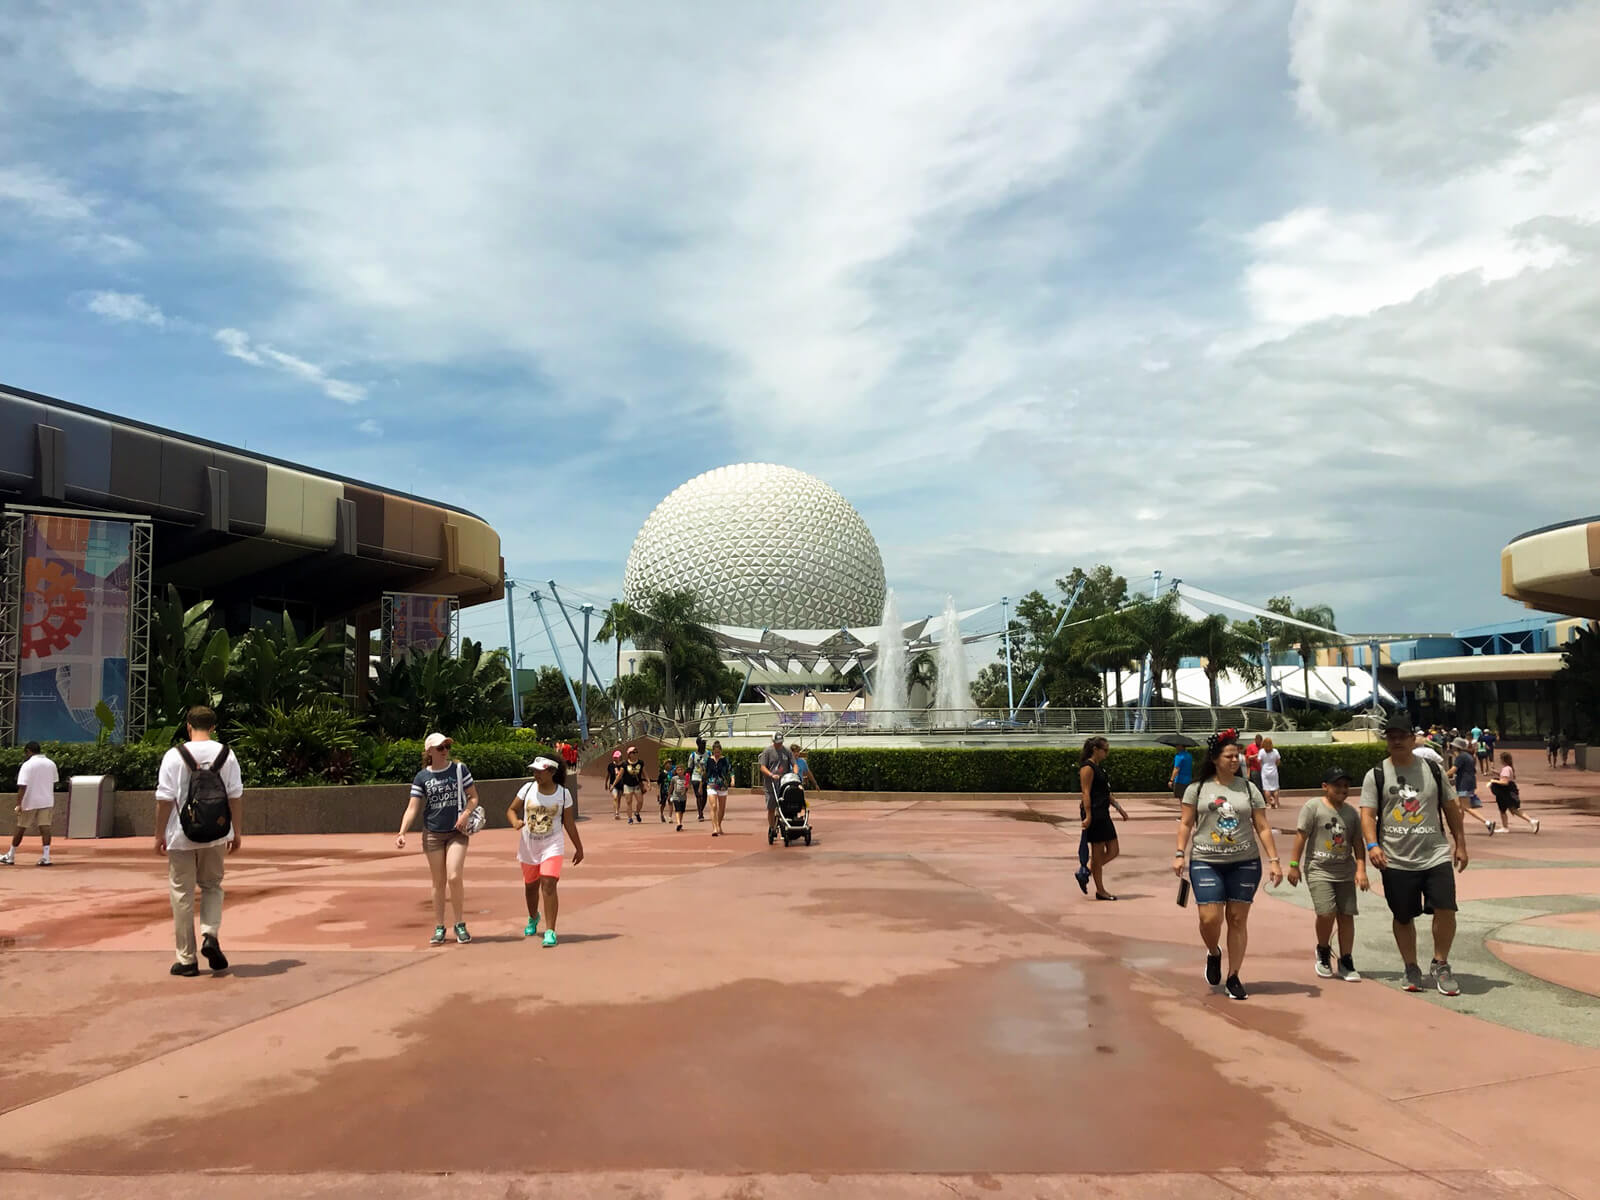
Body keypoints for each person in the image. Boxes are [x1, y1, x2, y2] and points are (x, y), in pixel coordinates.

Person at [1359, 712, 1469, 997]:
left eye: (1401, 736)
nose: (1396, 741)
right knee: (1403, 916)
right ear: (1387, 740)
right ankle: (1411, 966)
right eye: (1391, 736)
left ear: (1412, 739)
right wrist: (1372, 845)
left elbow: (1451, 805)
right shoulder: (1377, 774)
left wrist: (1461, 843)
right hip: (1395, 858)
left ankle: (1441, 962)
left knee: (1446, 907)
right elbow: (1368, 815)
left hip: (1435, 854)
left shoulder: (1431, 769)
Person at [1175, 730, 1283, 1001]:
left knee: (1237, 918)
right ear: (1215, 759)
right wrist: (1179, 853)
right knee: (1209, 918)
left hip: (1244, 861)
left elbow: (1262, 826)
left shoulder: (1248, 788)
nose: (1235, 760)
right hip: (1205, 861)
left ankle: (1234, 976)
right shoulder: (1197, 789)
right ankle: (1213, 952)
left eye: (1237, 756)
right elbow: (1186, 823)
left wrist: (1274, 860)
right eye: (1229, 756)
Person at [154, 706, 244, 977]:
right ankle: (210, 933)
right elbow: (235, 796)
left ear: (188, 726)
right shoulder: (227, 755)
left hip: (181, 836)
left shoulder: (174, 755)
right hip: (216, 834)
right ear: (214, 727)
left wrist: (159, 835)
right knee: (212, 886)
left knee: (181, 895)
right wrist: (236, 832)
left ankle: (187, 959)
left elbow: (164, 798)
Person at [397, 732, 481, 946]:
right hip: (433, 833)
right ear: (430, 751)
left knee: (454, 876)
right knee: (438, 881)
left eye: (446, 747)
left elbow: (473, 797)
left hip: (457, 832)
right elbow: (413, 806)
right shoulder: (422, 777)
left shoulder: (459, 769)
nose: (444, 751)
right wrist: (402, 832)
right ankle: (439, 926)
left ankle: (460, 923)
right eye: (440, 747)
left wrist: (465, 815)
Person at [1287, 767, 1369, 981]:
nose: (1342, 789)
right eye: (1337, 785)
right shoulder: (1313, 807)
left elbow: (1357, 843)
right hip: (1319, 868)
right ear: (1325, 787)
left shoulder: (1351, 813)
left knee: (1347, 914)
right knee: (1326, 912)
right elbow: (1301, 836)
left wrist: (1361, 869)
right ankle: (1323, 950)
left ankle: (1346, 959)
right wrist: (1294, 864)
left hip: (1344, 870)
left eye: (1345, 786)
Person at [507, 755, 584, 947]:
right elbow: (511, 809)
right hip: (529, 845)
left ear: (552, 772)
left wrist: (579, 847)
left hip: (552, 844)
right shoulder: (527, 789)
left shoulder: (564, 794)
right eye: (534, 770)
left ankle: (550, 931)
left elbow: (568, 823)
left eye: (540, 771)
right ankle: (533, 917)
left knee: (548, 883)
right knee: (531, 886)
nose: (536, 774)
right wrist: (515, 822)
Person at [1077, 737, 1127, 901]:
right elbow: (1085, 792)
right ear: (1095, 750)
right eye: (1105, 750)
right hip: (1095, 814)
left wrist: (1119, 809)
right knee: (1097, 853)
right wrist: (1089, 815)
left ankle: (1087, 872)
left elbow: (1106, 793)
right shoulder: (1087, 768)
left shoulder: (1099, 769)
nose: (1107, 753)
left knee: (1114, 850)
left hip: (1103, 813)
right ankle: (1100, 890)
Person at [3, 741, 59, 867]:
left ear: (29, 751)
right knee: (45, 828)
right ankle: (46, 856)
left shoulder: (27, 765)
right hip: (47, 800)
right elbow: (54, 781)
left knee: (21, 827)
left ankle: (11, 855)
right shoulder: (51, 764)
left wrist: (19, 804)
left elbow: (22, 786)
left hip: (30, 801)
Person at [1488, 752, 1539, 834]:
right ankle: (1530, 821)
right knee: (1510, 809)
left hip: (1505, 791)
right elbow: (1506, 777)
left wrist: (1493, 781)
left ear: (1503, 760)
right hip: (1509, 790)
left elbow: (1504, 782)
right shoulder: (1509, 768)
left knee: (1505, 809)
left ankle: (1506, 827)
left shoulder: (1506, 769)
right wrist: (1497, 773)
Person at [758, 731, 796, 840]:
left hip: (784, 782)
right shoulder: (767, 751)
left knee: (785, 805)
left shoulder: (787, 751)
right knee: (771, 807)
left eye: (780, 743)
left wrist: (795, 773)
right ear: (773, 741)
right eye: (777, 743)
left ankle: (785, 825)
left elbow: (794, 764)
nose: (779, 745)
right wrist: (771, 774)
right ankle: (772, 828)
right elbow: (762, 767)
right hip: (771, 784)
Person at [1451, 738, 1487, 825]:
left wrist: (1443, 775)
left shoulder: (1460, 757)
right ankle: (1458, 825)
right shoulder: (1468, 756)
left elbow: (1453, 770)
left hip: (1464, 784)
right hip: (1469, 783)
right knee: (1458, 806)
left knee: (1465, 807)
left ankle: (1487, 822)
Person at [705, 740, 734, 837]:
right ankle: (714, 827)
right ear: (713, 751)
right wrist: (702, 783)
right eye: (715, 752)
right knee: (713, 806)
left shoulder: (725, 760)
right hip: (711, 784)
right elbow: (705, 772)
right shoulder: (709, 760)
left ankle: (719, 824)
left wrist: (732, 780)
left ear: (721, 751)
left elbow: (730, 770)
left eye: (718, 752)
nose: (717, 754)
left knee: (722, 808)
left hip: (722, 785)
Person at [619, 746, 647, 823]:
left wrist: (648, 782)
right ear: (629, 754)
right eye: (633, 753)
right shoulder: (625, 764)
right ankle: (630, 818)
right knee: (629, 802)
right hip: (627, 785)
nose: (635, 754)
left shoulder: (640, 763)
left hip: (637, 785)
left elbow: (644, 773)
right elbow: (620, 775)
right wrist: (613, 784)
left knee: (640, 801)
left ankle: (637, 813)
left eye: (636, 752)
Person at [688, 737, 709, 821]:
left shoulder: (708, 753)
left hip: (705, 777)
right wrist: (687, 781)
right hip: (695, 777)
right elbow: (689, 768)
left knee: (705, 796)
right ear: (698, 745)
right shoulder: (693, 755)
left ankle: (701, 810)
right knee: (698, 795)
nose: (704, 746)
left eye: (704, 744)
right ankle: (700, 814)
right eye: (702, 744)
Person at [1258, 737, 1282, 808]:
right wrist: (1274, 765)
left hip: (1265, 770)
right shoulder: (1275, 751)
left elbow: (1258, 761)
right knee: (1275, 787)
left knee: (1266, 788)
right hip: (1273, 770)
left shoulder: (1262, 751)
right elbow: (1278, 761)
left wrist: (1263, 765)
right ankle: (1277, 803)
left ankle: (1268, 804)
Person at [670, 765, 689, 831]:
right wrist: (669, 794)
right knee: (678, 810)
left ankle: (680, 823)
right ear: (676, 771)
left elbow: (687, 787)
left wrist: (685, 790)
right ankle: (678, 823)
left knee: (682, 811)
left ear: (683, 770)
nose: (680, 771)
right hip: (676, 796)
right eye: (678, 770)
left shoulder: (686, 778)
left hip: (683, 797)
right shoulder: (674, 778)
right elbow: (671, 787)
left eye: (681, 769)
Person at [607, 749, 624, 819]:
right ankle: (616, 813)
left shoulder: (623, 765)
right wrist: (606, 783)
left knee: (619, 799)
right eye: (614, 757)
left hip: (621, 784)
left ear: (620, 757)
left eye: (617, 757)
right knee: (615, 797)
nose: (615, 758)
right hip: (612, 784)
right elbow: (608, 775)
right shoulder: (611, 765)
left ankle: (617, 811)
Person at [656, 758, 673, 823]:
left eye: (671, 764)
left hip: (670, 791)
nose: (670, 765)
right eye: (668, 763)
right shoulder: (662, 773)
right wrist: (658, 793)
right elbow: (659, 783)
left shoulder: (672, 773)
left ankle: (670, 817)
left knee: (670, 802)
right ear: (665, 765)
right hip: (663, 791)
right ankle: (661, 814)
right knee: (663, 804)